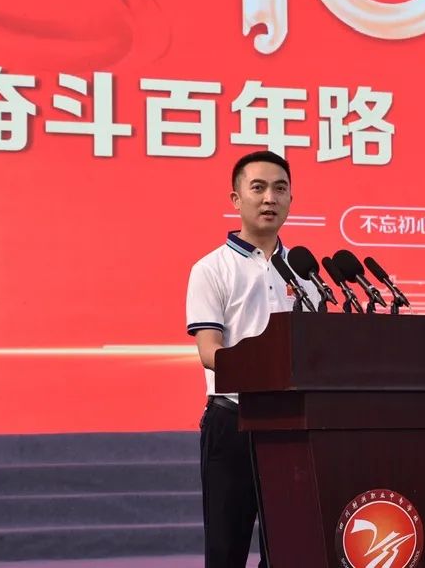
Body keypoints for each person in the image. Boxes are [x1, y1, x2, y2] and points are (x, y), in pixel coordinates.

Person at [186, 150, 316, 568]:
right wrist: (266, 368)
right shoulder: (211, 268)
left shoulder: (306, 273)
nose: (269, 198)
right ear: (236, 198)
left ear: (291, 199)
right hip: (234, 422)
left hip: (294, 426)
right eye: (257, 188)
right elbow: (210, 351)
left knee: (290, 551)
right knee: (226, 551)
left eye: (280, 189)